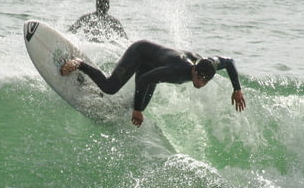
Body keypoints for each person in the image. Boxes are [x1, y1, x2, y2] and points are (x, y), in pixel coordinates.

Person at [60, 40, 246, 127]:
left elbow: (229, 62)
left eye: (205, 81)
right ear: (194, 70)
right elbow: (143, 79)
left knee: (138, 103)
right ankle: (79, 64)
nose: (200, 83)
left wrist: (237, 89)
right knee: (111, 87)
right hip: (140, 53)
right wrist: (138, 111)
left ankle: (114, 102)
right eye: (198, 78)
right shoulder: (177, 71)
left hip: (154, 66)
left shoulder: (210, 64)